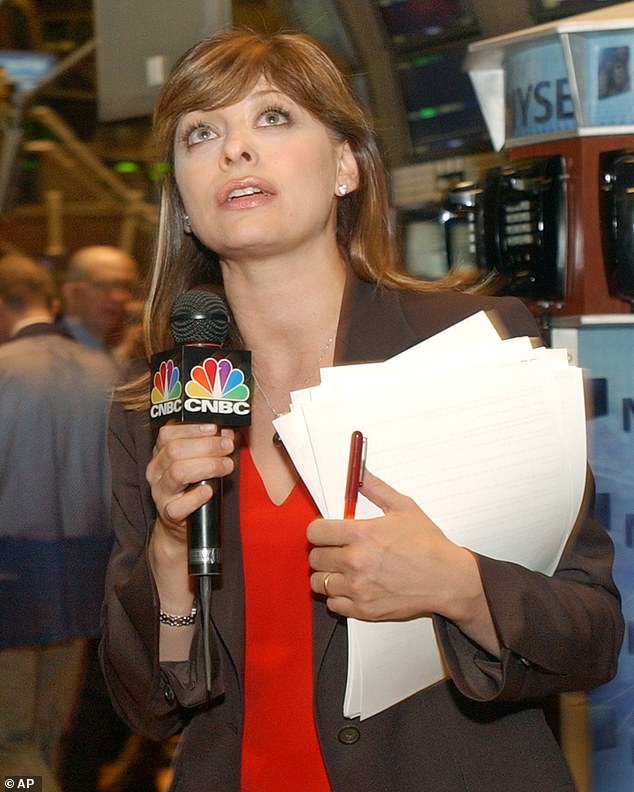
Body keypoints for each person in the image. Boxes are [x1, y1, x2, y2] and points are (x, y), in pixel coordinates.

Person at [99, 30, 623, 791]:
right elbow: (148, 705)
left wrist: (459, 585)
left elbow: (591, 635)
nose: (235, 150)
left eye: (273, 118)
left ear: (346, 165)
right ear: (181, 201)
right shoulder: (149, 403)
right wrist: (171, 554)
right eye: (201, 133)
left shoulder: (466, 347)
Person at [0, 254, 116, 791]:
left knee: (10, 740)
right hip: (84, 580)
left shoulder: (4, 368)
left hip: (12, 580)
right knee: (50, 731)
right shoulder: (108, 372)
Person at [58, 244, 139, 355]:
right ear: (71, 291)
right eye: (101, 285)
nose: (117, 297)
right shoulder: (52, 351)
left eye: (124, 286)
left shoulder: (120, 350)